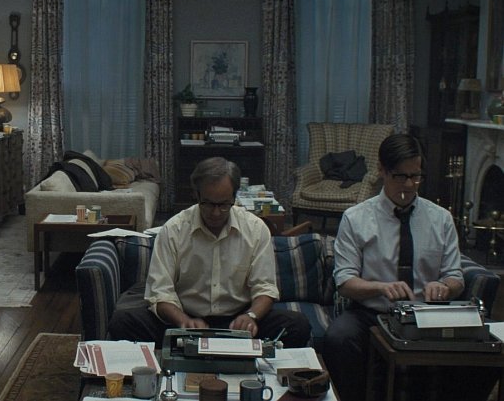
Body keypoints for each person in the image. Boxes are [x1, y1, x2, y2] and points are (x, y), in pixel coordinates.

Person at [324, 133, 496, 401]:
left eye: (415, 176)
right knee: (338, 337)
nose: (408, 185)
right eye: (400, 176)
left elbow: (455, 276)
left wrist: (444, 286)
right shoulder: (356, 218)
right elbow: (345, 282)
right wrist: (381, 287)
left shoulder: (440, 218)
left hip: (428, 314)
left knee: (490, 345)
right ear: (381, 170)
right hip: (372, 313)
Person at [108, 157, 311, 348]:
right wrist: (184, 321)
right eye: (208, 203)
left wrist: (251, 317)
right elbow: (159, 293)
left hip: (237, 321)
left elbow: (265, 288)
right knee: (123, 322)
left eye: (223, 205)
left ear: (234, 197)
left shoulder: (255, 229)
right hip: (185, 318)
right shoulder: (174, 229)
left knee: (297, 325)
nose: (215, 213)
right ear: (196, 196)